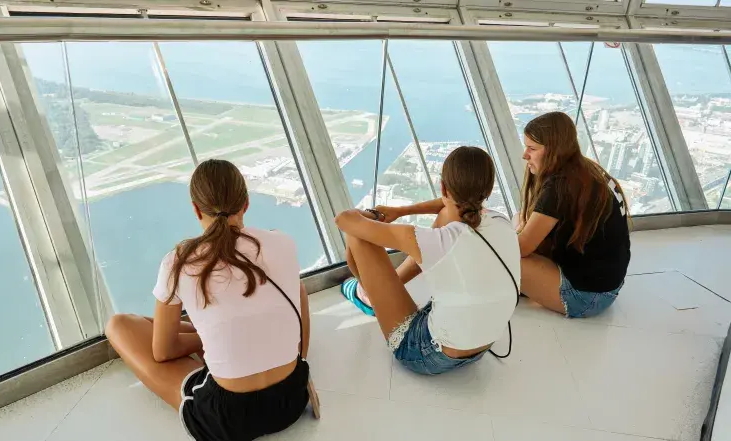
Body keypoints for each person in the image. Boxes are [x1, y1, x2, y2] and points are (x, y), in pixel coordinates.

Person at [105, 159, 315, 441]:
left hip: (228, 420)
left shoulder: (179, 262)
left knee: (120, 325)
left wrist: (207, 338)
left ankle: (217, 339)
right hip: (292, 399)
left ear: (195, 208)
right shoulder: (283, 243)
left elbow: (163, 352)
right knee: (296, 288)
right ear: (246, 203)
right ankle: (232, 341)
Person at [335, 146, 521, 375]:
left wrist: (375, 216)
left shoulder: (436, 240)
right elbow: (449, 205)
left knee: (358, 234)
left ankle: (368, 294)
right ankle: (386, 288)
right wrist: (400, 211)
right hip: (482, 346)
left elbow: (344, 219)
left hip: (429, 355)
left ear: (443, 187)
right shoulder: (501, 221)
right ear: (489, 189)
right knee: (444, 219)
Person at [516, 111, 631, 318]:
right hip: (607, 285)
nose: (525, 155)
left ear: (553, 151)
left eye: (532, 149)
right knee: (520, 222)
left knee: (504, 258)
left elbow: (522, 247)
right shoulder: (586, 171)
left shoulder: (560, 186)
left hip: (587, 297)